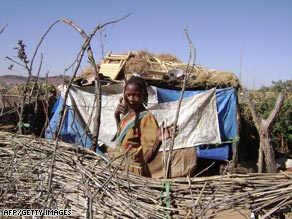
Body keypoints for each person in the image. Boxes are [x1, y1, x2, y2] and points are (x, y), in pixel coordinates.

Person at [111, 76, 173, 177]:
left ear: (143, 96)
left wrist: (158, 141)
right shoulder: (127, 115)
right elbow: (122, 137)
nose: (131, 99)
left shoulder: (146, 118)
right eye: (128, 95)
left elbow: (147, 158)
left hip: (132, 173)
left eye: (136, 95)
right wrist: (116, 116)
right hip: (119, 168)